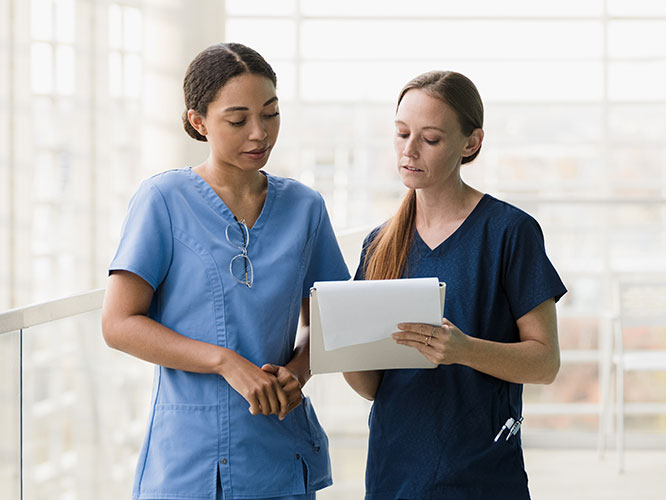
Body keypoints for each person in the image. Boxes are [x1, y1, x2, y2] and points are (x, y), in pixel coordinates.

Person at [100, 42, 350, 500]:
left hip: (278, 450)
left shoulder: (305, 208)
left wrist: (299, 371)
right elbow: (118, 325)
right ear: (199, 122)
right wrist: (226, 362)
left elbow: (331, 324)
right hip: (189, 459)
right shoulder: (164, 200)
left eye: (271, 114)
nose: (260, 133)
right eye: (238, 120)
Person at [343, 70, 567, 499]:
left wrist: (463, 351)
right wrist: (340, 348)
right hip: (395, 473)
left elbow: (545, 363)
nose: (409, 151)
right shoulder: (380, 244)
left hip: (481, 475)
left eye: (430, 139)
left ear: (471, 142)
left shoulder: (510, 232)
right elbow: (374, 387)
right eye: (401, 133)